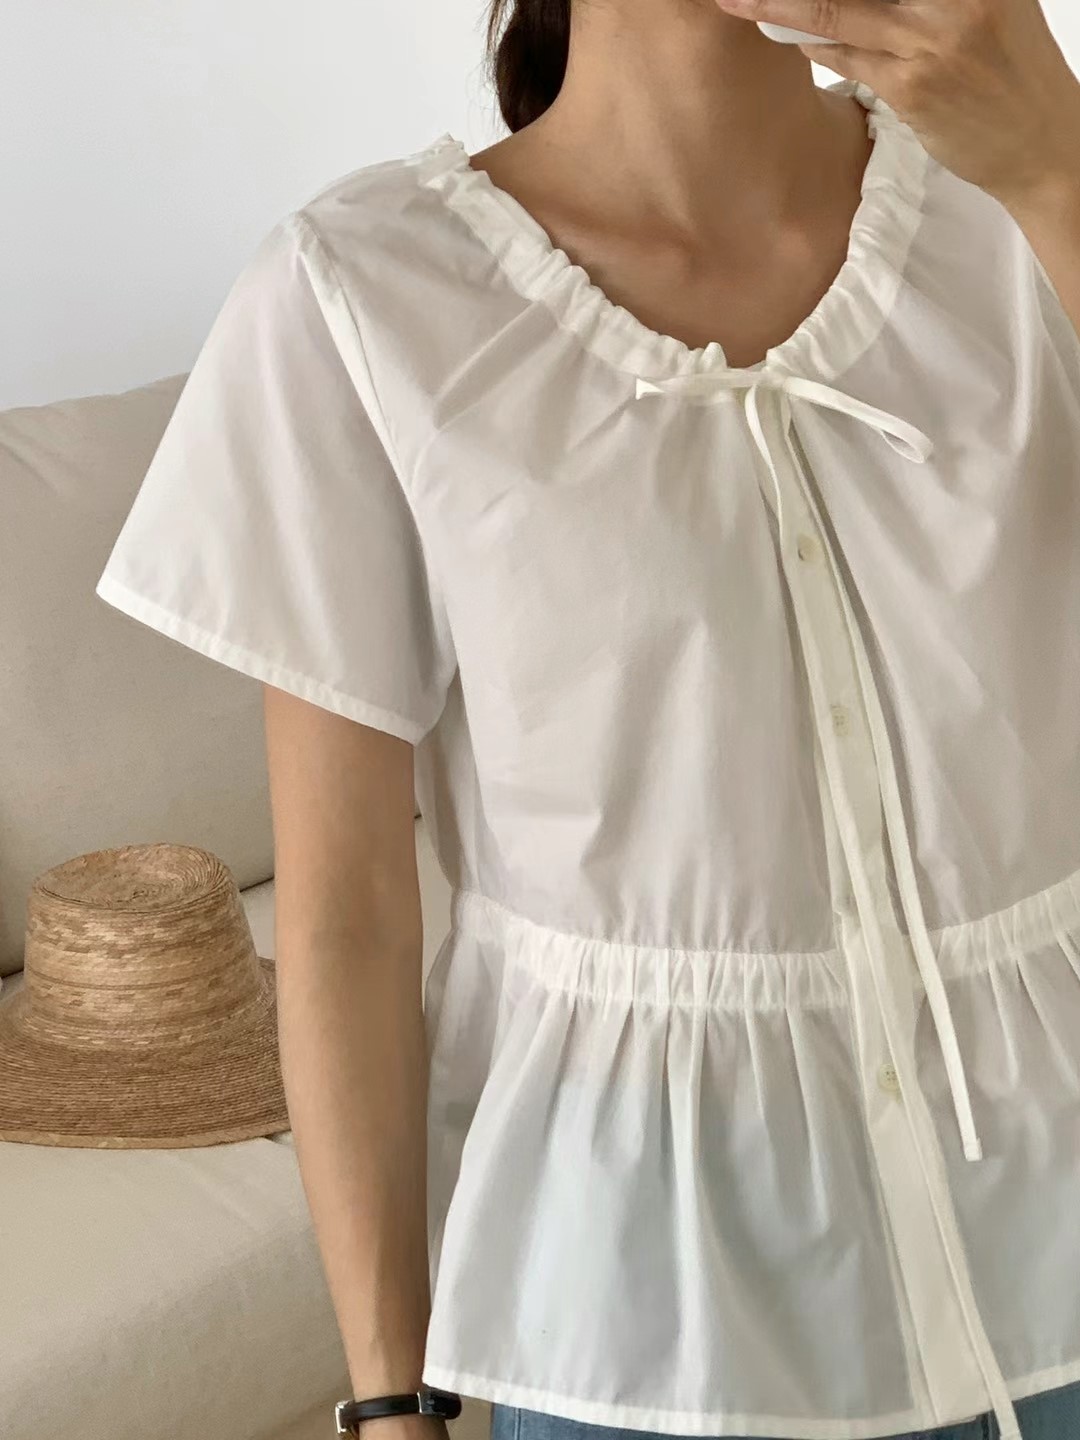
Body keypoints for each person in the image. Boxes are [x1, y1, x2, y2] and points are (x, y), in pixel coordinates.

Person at [94, 1, 1080, 1438]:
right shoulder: (359, 296)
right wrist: (390, 1400)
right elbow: (349, 918)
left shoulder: (1022, 209)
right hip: (639, 1317)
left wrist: (1058, 171)